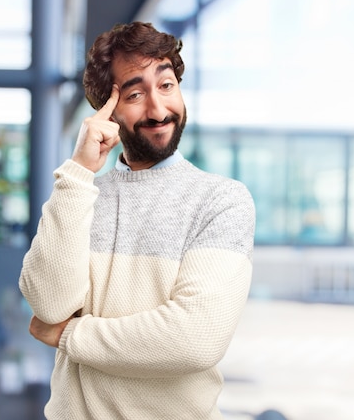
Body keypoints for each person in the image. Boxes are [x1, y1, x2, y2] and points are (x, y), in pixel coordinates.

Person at [18, 21, 255, 420]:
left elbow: (194, 339)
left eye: (166, 86)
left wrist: (70, 334)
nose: (159, 109)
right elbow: (49, 302)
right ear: (106, 111)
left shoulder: (222, 199)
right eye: (134, 94)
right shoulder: (80, 195)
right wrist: (79, 171)